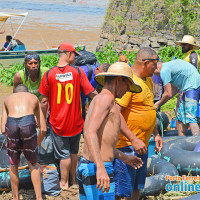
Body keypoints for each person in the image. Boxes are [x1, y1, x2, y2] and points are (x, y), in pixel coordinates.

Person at [77, 62, 143, 200]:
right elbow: (89, 132)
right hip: (97, 167)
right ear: (119, 80)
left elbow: (103, 143)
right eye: (127, 86)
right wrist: (100, 168)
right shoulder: (106, 98)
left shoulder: (102, 100)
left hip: (91, 165)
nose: (127, 91)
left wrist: (124, 157)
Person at [38, 42, 98, 190]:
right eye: (74, 55)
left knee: (63, 154)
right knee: (73, 152)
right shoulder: (78, 72)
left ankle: (64, 183)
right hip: (76, 121)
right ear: (69, 54)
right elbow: (92, 94)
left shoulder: (49, 73)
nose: (75, 58)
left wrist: (42, 122)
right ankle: (74, 181)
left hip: (58, 122)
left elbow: (44, 101)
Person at [114, 47, 163, 200]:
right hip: (127, 145)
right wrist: (133, 138)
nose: (156, 68)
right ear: (146, 63)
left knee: (137, 186)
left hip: (142, 144)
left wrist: (156, 134)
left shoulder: (147, 81)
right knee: (122, 189)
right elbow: (116, 112)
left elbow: (148, 109)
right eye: (154, 64)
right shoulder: (129, 82)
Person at [1, 84, 47, 200]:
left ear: (14, 93)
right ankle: (39, 198)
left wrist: (10, 141)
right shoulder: (33, 98)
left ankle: (15, 197)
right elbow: (43, 128)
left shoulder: (7, 100)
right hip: (28, 123)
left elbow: (3, 129)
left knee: (13, 165)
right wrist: (37, 143)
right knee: (33, 164)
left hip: (11, 125)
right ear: (27, 92)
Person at [154, 59, 200, 136]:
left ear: (157, 68)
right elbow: (173, 92)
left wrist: (158, 104)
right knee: (180, 116)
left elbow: (168, 93)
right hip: (186, 87)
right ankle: (181, 142)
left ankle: (198, 145)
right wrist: (164, 100)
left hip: (193, 85)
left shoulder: (164, 70)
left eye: (154, 73)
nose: (157, 76)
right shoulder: (169, 68)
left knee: (190, 117)